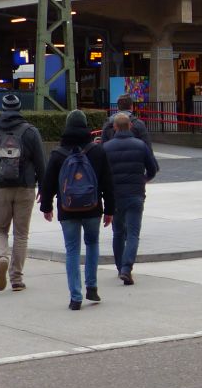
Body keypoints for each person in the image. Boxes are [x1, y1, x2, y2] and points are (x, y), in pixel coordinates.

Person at [39, 109, 115, 310]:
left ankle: (75, 296)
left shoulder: (58, 154)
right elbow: (108, 182)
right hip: (93, 208)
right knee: (92, 243)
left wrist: (46, 206)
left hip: (67, 209)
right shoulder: (97, 152)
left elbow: (48, 184)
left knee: (72, 250)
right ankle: (92, 286)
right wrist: (109, 210)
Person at [0, 92, 46, 292]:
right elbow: (42, 164)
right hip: (25, 187)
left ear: (2, 108)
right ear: (19, 108)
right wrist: (42, 187)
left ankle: (1, 258)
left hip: (0, 188)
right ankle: (16, 278)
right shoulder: (30, 131)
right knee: (21, 234)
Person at [101, 112, 159, 285]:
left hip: (115, 196)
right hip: (135, 194)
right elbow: (153, 169)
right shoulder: (140, 145)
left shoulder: (107, 148)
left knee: (118, 232)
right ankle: (127, 268)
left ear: (115, 128)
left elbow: (101, 174)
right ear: (131, 126)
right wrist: (144, 179)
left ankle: (120, 268)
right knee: (133, 234)